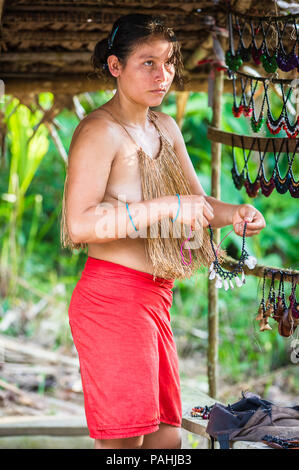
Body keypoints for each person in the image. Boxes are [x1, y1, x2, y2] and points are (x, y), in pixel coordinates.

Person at [60, 14, 266, 450]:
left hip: (156, 299)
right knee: (125, 444)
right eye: (148, 63)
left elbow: (199, 204)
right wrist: (165, 207)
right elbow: (79, 223)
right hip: (113, 300)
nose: (164, 74)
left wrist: (236, 214)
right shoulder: (100, 132)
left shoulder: (164, 127)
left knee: (166, 440)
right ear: (115, 66)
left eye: (169, 62)